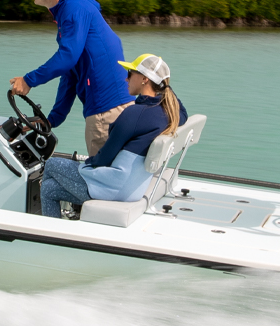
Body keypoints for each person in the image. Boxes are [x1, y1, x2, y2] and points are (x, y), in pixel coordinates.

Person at [8, 0, 132, 156]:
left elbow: (67, 57)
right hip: (114, 109)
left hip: (105, 114)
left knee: (100, 182)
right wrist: (52, 120)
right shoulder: (76, 8)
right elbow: (70, 74)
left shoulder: (73, 8)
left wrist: (29, 80)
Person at [39, 53, 187, 219]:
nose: (126, 79)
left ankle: (51, 227)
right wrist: (163, 83)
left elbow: (103, 159)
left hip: (113, 187)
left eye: (130, 74)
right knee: (49, 189)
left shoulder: (134, 114)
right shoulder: (170, 113)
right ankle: (58, 231)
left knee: (51, 164)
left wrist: (84, 165)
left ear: (145, 79)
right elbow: (183, 112)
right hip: (133, 187)